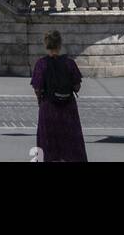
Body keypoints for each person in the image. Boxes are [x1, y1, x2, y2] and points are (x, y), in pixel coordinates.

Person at [30, 30, 87, 163]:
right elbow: (77, 86)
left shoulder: (41, 64)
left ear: (46, 44)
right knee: (71, 142)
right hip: (68, 108)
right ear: (60, 45)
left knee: (47, 143)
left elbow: (37, 87)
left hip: (48, 107)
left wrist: (40, 100)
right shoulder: (69, 63)